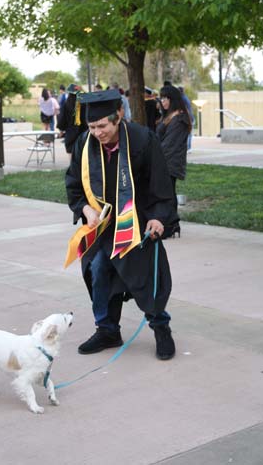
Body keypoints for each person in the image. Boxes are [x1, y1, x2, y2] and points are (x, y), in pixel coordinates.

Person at [65, 89, 178, 360]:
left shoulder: (142, 140)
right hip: (102, 225)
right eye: (92, 127)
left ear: (118, 116)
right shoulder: (85, 143)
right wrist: (85, 209)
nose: (97, 133)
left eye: (102, 126)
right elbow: (73, 183)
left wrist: (157, 216)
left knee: (144, 279)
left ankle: (161, 327)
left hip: (135, 223)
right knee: (98, 270)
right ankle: (107, 330)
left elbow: (159, 183)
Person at [156, 85, 189, 237]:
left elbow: (170, 144)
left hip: (171, 161)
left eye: (165, 98)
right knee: (167, 193)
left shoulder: (179, 118)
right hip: (165, 160)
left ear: (172, 99)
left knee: (168, 194)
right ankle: (172, 225)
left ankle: (170, 226)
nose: (162, 101)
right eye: (161, 98)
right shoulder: (170, 115)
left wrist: (154, 157)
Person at [56, 83, 87, 154]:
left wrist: (61, 129)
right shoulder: (84, 104)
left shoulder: (66, 105)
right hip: (83, 133)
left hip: (70, 134)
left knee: (72, 157)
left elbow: (62, 120)